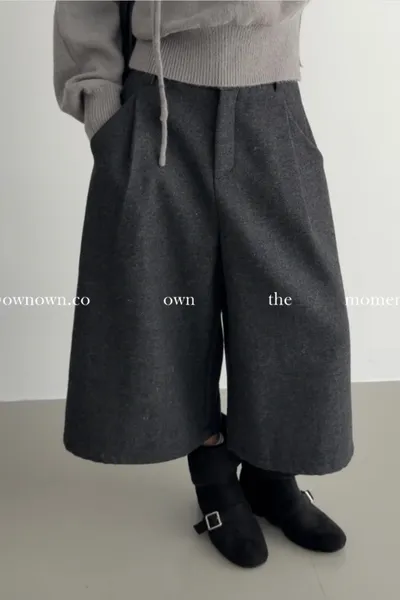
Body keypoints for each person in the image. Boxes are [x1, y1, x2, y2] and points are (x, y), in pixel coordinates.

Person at [53, 0, 354, 568]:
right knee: (163, 305)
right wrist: (101, 104)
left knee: (299, 310)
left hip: (272, 100)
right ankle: (213, 476)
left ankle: (270, 472)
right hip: (158, 104)